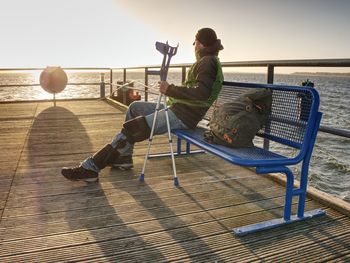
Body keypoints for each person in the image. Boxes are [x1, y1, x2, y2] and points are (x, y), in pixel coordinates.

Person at [61, 27, 224, 182]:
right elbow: (199, 90)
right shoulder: (208, 60)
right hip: (178, 110)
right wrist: (170, 92)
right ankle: (124, 158)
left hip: (182, 116)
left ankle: (91, 167)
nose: (194, 46)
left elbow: (202, 93)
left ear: (201, 44)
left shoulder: (207, 62)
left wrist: (170, 89)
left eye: (194, 42)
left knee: (132, 128)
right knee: (135, 107)